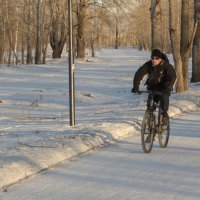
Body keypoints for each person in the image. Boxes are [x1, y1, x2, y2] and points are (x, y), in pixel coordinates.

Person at [131, 48, 177, 124]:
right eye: (152, 58)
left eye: (156, 58)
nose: (154, 60)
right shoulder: (148, 65)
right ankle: (150, 121)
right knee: (150, 106)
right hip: (153, 87)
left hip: (164, 87)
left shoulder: (166, 65)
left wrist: (169, 86)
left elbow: (173, 76)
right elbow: (139, 74)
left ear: (160, 58)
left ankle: (164, 116)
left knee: (164, 99)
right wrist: (135, 87)